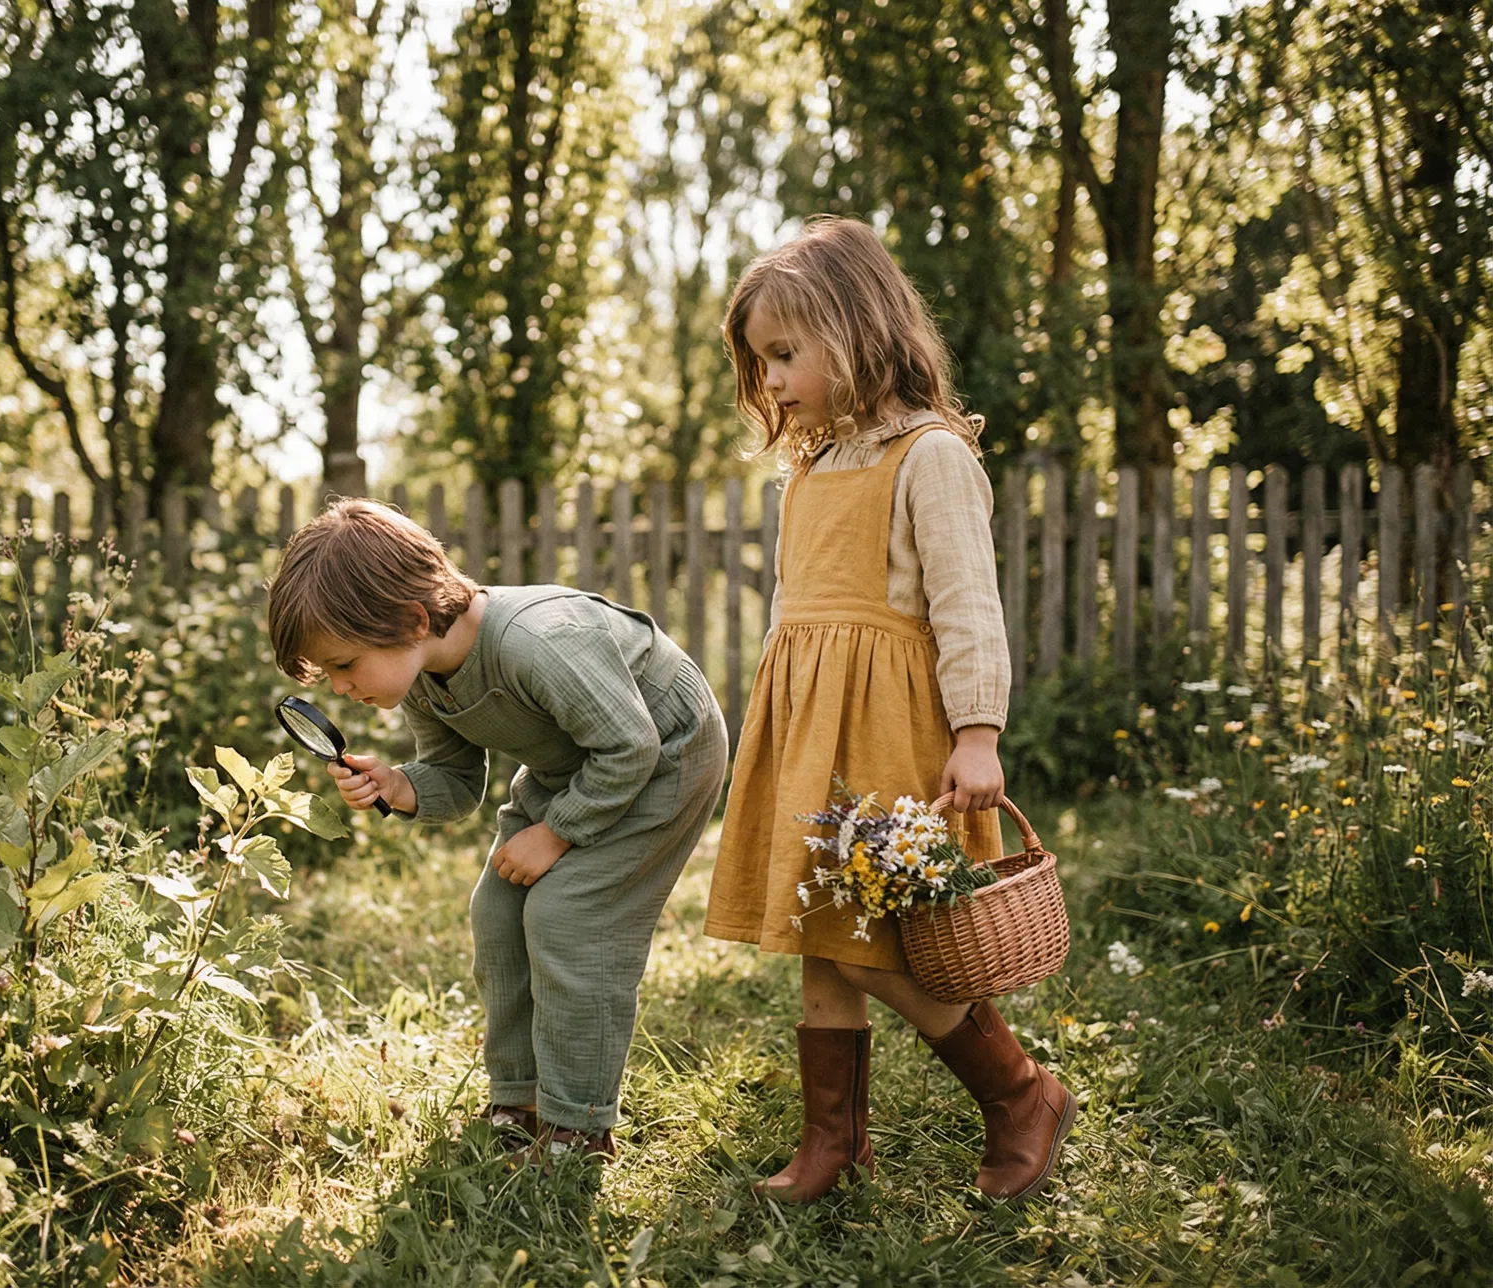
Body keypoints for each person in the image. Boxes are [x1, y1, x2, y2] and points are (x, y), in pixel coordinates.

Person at [703, 217, 1076, 1204]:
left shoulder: (930, 456)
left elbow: (965, 604)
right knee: (824, 935)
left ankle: (1020, 1093)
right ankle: (833, 1144)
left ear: (858, 330)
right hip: (815, 728)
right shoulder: (812, 470)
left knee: (883, 942)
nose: (771, 380)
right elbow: (799, 618)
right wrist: (784, 730)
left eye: (785, 354)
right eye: (761, 361)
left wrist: (979, 732)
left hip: (890, 728)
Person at [267, 499, 727, 1161]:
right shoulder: (425, 676)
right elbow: (455, 781)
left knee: (570, 915)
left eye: (345, 664)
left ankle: (580, 1128)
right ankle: (522, 1099)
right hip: (579, 762)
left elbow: (631, 747)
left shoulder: (536, 642)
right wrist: (400, 785)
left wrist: (557, 832)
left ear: (412, 619)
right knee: (498, 908)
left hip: (666, 756)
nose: (340, 687)